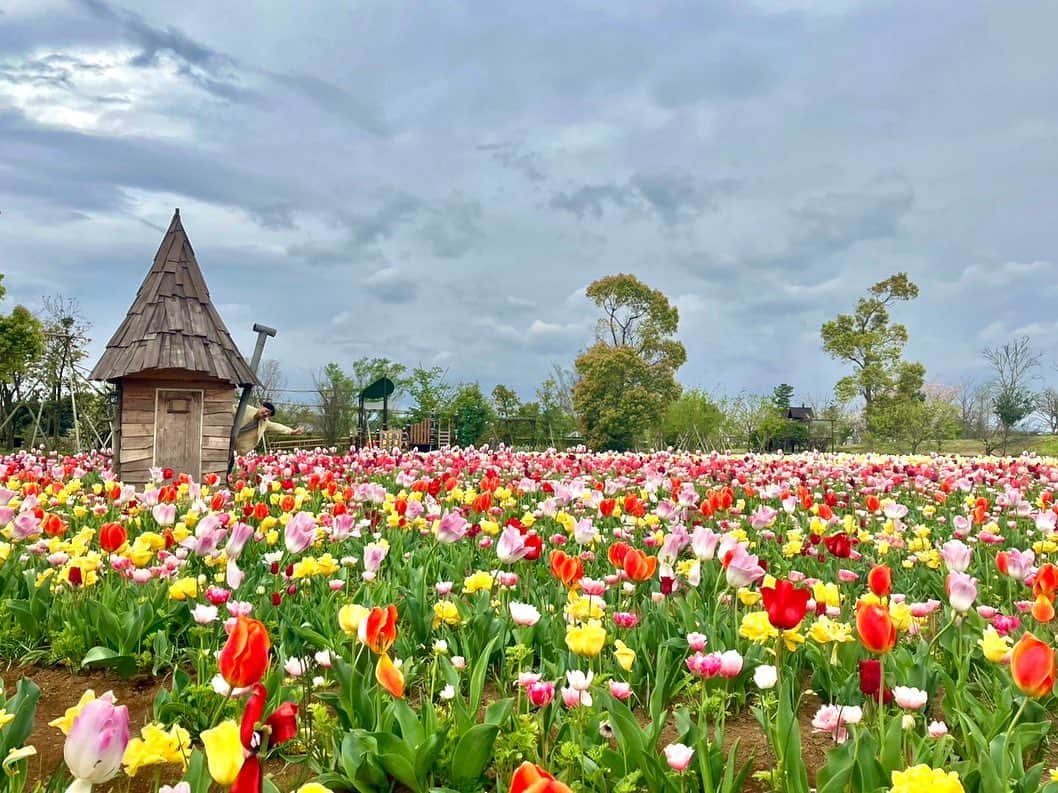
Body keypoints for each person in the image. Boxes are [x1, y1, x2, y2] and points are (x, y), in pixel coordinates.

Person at [232, 401, 303, 456]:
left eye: (268, 414)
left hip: (236, 446)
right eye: (266, 411)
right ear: (261, 407)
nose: (266, 414)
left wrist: (291, 431)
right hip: (224, 434)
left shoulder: (264, 423)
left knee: (229, 465)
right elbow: (232, 408)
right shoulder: (246, 409)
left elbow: (277, 426)